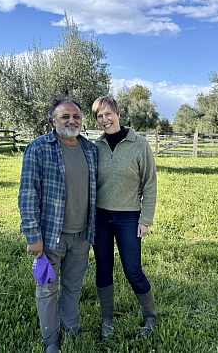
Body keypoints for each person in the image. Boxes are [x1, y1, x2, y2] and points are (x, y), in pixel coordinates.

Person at [18, 97, 97, 353]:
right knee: (47, 289)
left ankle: (70, 329)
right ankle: (50, 340)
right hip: (50, 235)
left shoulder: (90, 150)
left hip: (83, 234)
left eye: (76, 116)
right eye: (65, 116)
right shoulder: (38, 148)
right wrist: (32, 235)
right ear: (53, 120)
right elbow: (28, 193)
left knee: (73, 286)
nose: (72, 121)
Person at [91, 96, 158, 339]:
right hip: (100, 218)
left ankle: (151, 317)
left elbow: (149, 183)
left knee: (133, 270)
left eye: (108, 114)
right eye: (99, 116)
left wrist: (145, 219)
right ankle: (107, 320)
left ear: (118, 113)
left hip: (129, 217)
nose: (104, 119)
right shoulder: (94, 148)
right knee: (103, 269)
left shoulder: (139, 144)